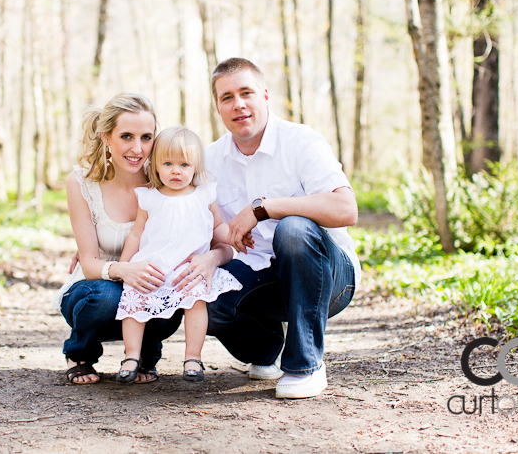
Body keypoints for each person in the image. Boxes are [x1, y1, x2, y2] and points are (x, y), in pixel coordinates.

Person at [204, 58, 361, 399]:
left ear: (264, 95)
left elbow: (347, 209)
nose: (239, 104)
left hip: (330, 278)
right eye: (227, 97)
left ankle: (306, 365)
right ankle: (267, 351)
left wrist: (265, 208)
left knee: (292, 229)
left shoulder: (301, 140)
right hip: (262, 276)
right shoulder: (209, 160)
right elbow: (194, 224)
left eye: (246, 93)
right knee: (204, 300)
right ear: (218, 107)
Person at [52, 93, 231, 385]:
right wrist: (124, 269)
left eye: (146, 137)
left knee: (172, 292)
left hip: (152, 281)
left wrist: (211, 258)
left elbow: (217, 238)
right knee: (107, 297)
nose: (137, 149)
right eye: (126, 136)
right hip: (98, 286)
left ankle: (146, 354)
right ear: (107, 137)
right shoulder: (81, 182)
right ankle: (80, 353)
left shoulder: (166, 177)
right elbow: (88, 263)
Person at [114, 127, 241, 383]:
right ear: (155, 166)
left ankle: (193, 357)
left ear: (195, 167)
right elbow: (137, 235)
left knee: (196, 303)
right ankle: (131, 356)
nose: (176, 170)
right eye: (168, 163)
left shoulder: (204, 193)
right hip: (152, 268)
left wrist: (236, 236)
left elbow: (218, 227)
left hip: (188, 269)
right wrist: (124, 265)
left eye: (184, 164)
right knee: (134, 304)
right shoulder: (149, 197)